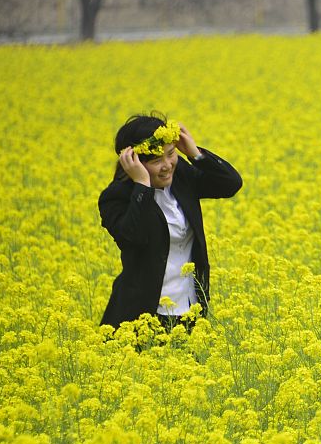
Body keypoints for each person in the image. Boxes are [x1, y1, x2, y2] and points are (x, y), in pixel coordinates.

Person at [99, 113, 242, 331]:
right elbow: (134, 237)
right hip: (143, 316)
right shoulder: (116, 198)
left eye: (171, 154)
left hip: (191, 310)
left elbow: (230, 184)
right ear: (133, 162)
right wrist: (142, 186)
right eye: (157, 160)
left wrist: (194, 153)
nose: (167, 165)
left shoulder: (181, 177)